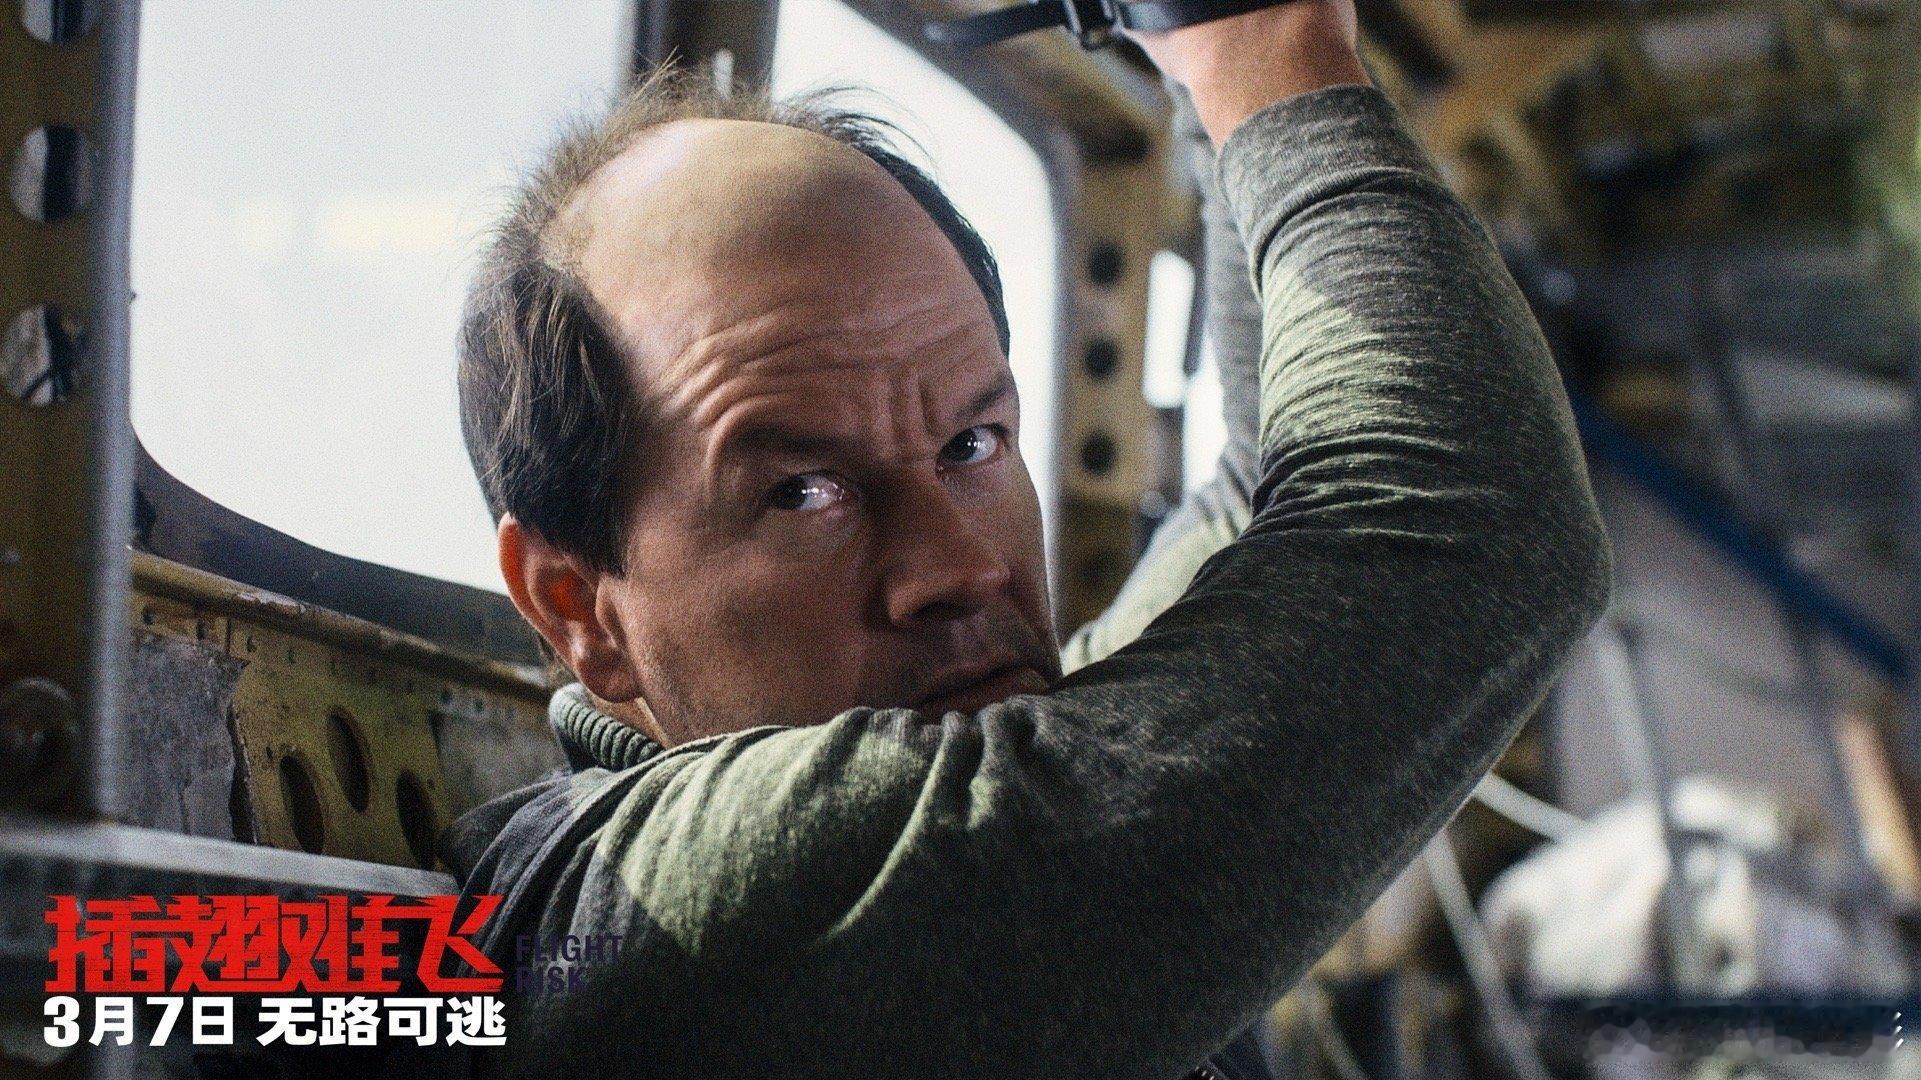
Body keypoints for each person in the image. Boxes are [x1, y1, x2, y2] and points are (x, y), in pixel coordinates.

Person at [446, 2, 1612, 1076]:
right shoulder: (669, 918)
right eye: (802, 492)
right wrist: (1267, 52)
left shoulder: (974, 757)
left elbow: (1267, 485)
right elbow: (1468, 517)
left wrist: (1196, 69)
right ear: (577, 609)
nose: (961, 566)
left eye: (970, 443)